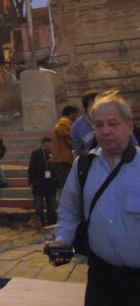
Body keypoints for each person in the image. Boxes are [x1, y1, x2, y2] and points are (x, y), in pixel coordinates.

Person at [49, 91, 140, 306]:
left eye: (113, 124)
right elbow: (69, 211)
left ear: (129, 126)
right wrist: (62, 240)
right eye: (99, 125)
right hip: (101, 279)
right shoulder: (83, 166)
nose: (105, 131)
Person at [27, 137, 57, 228]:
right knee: (38, 208)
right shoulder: (36, 154)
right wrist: (31, 182)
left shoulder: (55, 153)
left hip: (51, 184)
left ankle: (51, 226)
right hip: (38, 184)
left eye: (50, 146)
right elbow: (31, 168)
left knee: (51, 207)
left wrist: (57, 181)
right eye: (46, 146)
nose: (48, 147)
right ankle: (41, 227)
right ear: (43, 145)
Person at [50, 105, 79, 193]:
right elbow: (62, 131)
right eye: (75, 114)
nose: (76, 117)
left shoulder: (64, 123)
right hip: (62, 160)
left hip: (62, 159)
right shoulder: (64, 122)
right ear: (70, 114)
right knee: (66, 186)